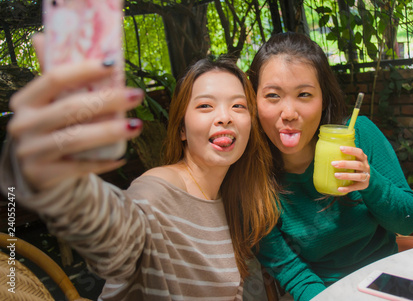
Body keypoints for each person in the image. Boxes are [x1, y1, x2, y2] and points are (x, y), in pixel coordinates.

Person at [0, 34, 280, 300]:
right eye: (206, 106)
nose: (224, 117)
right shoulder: (156, 193)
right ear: (182, 128)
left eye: (238, 106)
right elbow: (115, 244)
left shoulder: (233, 194)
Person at [247, 32, 413, 301]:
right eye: (273, 96)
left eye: (304, 94)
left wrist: (370, 182)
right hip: (327, 293)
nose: (289, 112)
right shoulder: (253, 181)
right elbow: (292, 272)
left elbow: (408, 222)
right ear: (254, 102)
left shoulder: (359, 135)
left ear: (323, 99)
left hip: (389, 279)